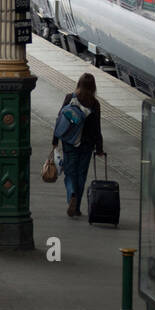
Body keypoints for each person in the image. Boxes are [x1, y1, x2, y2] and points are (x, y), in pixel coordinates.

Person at [52, 71, 105, 218]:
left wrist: (55, 141)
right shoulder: (94, 104)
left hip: (69, 142)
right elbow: (96, 127)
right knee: (81, 175)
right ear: (93, 87)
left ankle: (72, 196)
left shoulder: (70, 98)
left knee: (70, 173)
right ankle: (77, 207)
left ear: (79, 84)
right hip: (87, 144)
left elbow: (59, 120)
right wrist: (99, 147)